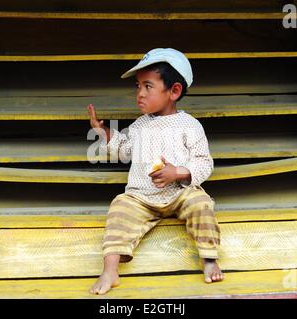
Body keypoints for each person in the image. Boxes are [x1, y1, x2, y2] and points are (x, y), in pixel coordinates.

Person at [87, 48, 223, 295]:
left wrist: (179, 172)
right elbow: (124, 150)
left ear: (174, 91)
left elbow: (204, 162)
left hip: (179, 195)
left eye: (148, 86)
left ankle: (209, 258)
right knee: (119, 207)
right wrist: (104, 133)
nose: (139, 94)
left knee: (201, 203)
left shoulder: (189, 125)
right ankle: (110, 269)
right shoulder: (139, 125)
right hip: (142, 197)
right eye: (137, 86)